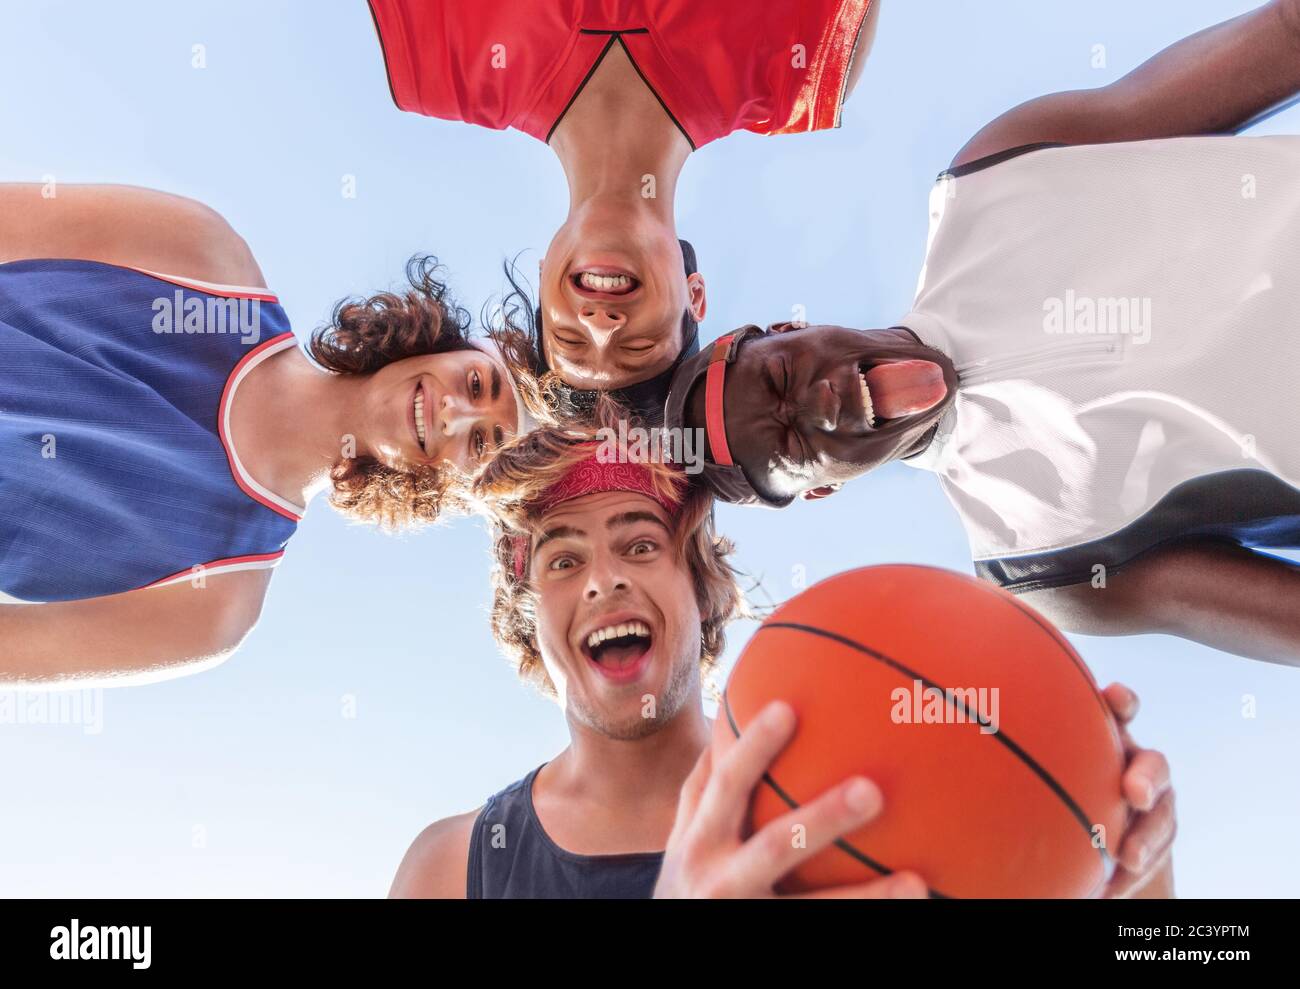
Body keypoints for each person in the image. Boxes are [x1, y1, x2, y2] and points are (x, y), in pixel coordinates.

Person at [663, 0, 1300, 663]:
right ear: (823, 487)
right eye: (792, 440)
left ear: (793, 326)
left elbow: (1285, 38)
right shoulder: (1036, 562)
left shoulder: (991, 176)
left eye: (781, 375)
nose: (818, 401)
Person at [389, 420, 1176, 898]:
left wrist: (1133, 873)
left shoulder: (863, 788)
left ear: (702, 591)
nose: (605, 578)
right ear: (532, 626)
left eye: (639, 543)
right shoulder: (456, 867)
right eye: (562, 562)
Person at [0, 183, 528, 686]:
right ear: (443, 344)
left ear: (456, 483)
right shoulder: (201, 253)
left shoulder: (212, 607)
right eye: (478, 383)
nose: (453, 414)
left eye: (481, 442)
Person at [366, 0, 883, 410]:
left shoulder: (441, 65)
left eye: (568, 336)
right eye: (637, 347)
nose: (600, 322)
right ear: (694, 294)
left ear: (545, 274)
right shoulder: (806, 66)